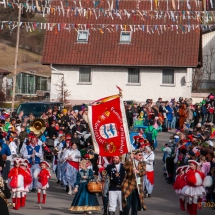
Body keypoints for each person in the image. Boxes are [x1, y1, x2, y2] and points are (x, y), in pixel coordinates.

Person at [121, 149, 146, 215]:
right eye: (139, 155)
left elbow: (144, 171)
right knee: (127, 206)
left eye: (141, 155)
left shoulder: (142, 163)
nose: (141, 156)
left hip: (137, 187)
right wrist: (130, 159)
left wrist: (138, 172)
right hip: (128, 186)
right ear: (134, 155)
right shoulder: (130, 162)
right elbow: (125, 167)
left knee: (135, 207)